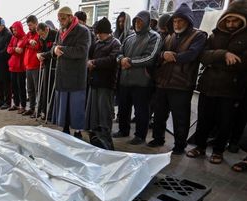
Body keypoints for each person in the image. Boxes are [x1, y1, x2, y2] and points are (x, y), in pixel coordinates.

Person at [187, 0, 247, 164]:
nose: (231, 24)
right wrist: (223, 54)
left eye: (235, 20)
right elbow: (203, 56)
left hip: (230, 88)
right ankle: (199, 147)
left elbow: (242, 63)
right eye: (228, 20)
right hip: (208, 86)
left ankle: (218, 151)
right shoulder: (214, 35)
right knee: (204, 119)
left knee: (224, 123)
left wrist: (215, 60)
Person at [148, 3, 207, 155]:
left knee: (180, 118)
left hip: (181, 84)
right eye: (175, 21)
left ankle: (180, 145)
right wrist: (163, 55)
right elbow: (159, 55)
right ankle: (158, 138)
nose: (177, 24)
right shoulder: (169, 36)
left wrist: (172, 57)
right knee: (159, 114)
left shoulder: (198, 35)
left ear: (188, 21)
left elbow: (192, 55)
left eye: (180, 21)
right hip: (163, 82)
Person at [113, 10, 162, 145]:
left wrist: (130, 62)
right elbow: (119, 53)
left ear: (147, 22)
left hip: (142, 81)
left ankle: (140, 136)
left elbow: (150, 57)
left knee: (141, 111)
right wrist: (121, 59)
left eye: (140, 21)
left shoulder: (154, 37)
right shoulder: (129, 37)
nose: (138, 23)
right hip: (125, 80)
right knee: (123, 108)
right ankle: (123, 130)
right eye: (136, 21)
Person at [51, 6, 91, 138]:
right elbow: (54, 47)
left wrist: (61, 49)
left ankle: (78, 131)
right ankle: (65, 127)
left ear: (70, 17)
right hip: (62, 74)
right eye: (59, 19)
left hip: (76, 75)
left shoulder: (83, 31)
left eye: (63, 18)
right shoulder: (60, 31)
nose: (61, 21)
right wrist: (54, 50)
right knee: (64, 105)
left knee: (76, 106)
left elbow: (81, 51)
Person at [85, 18, 121, 150]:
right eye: (97, 33)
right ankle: (95, 141)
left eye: (100, 33)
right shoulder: (96, 43)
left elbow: (112, 60)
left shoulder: (115, 43)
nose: (98, 35)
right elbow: (88, 56)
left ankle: (107, 144)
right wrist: (89, 61)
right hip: (94, 83)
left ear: (107, 32)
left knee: (104, 115)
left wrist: (94, 63)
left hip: (106, 84)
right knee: (94, 115)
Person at [20, 15, 41, 116]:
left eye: (31, 25)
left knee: (37, 89)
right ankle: (32, 108)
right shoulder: (28, 34)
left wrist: (29, 44)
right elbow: (22, 43)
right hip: (28, 66)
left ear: (36, 24)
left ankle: (39, 110)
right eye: (28, 25)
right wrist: (29, 42)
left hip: (36, 66)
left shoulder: (39, 34)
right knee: (30, 89)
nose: (29, 27)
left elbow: (37, 46)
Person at [36, 22, 58, 120]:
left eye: (42, 34)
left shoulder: (55, 34)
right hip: (46, 64)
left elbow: (53, 51)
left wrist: (43, 55)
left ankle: (51, 112)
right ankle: (43, 110)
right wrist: (39, 55)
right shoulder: (40, 37)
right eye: (39, 35)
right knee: (44, 89)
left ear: (47, 29)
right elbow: (40, 49)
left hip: (55, 65)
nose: (41, 36)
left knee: (51, 89)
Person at [0, 17, 12, 110]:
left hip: (5, 62)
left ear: (2, 25)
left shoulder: (8, 34)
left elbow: (7, 50)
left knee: (5, 83)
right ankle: (0, 101)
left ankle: (7, 102)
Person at [7, 21, 27, 113]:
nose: (14, 32)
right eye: (13, 30)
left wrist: (13, 49)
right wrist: (15, 49)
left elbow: (22, 50)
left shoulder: (25, 37)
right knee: (14, 86)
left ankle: (23, 106)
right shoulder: (13, 38)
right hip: (13, 66)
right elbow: (8, 49)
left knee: (21, 87)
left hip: (21, 66)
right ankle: (16, 104)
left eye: (15, 30)